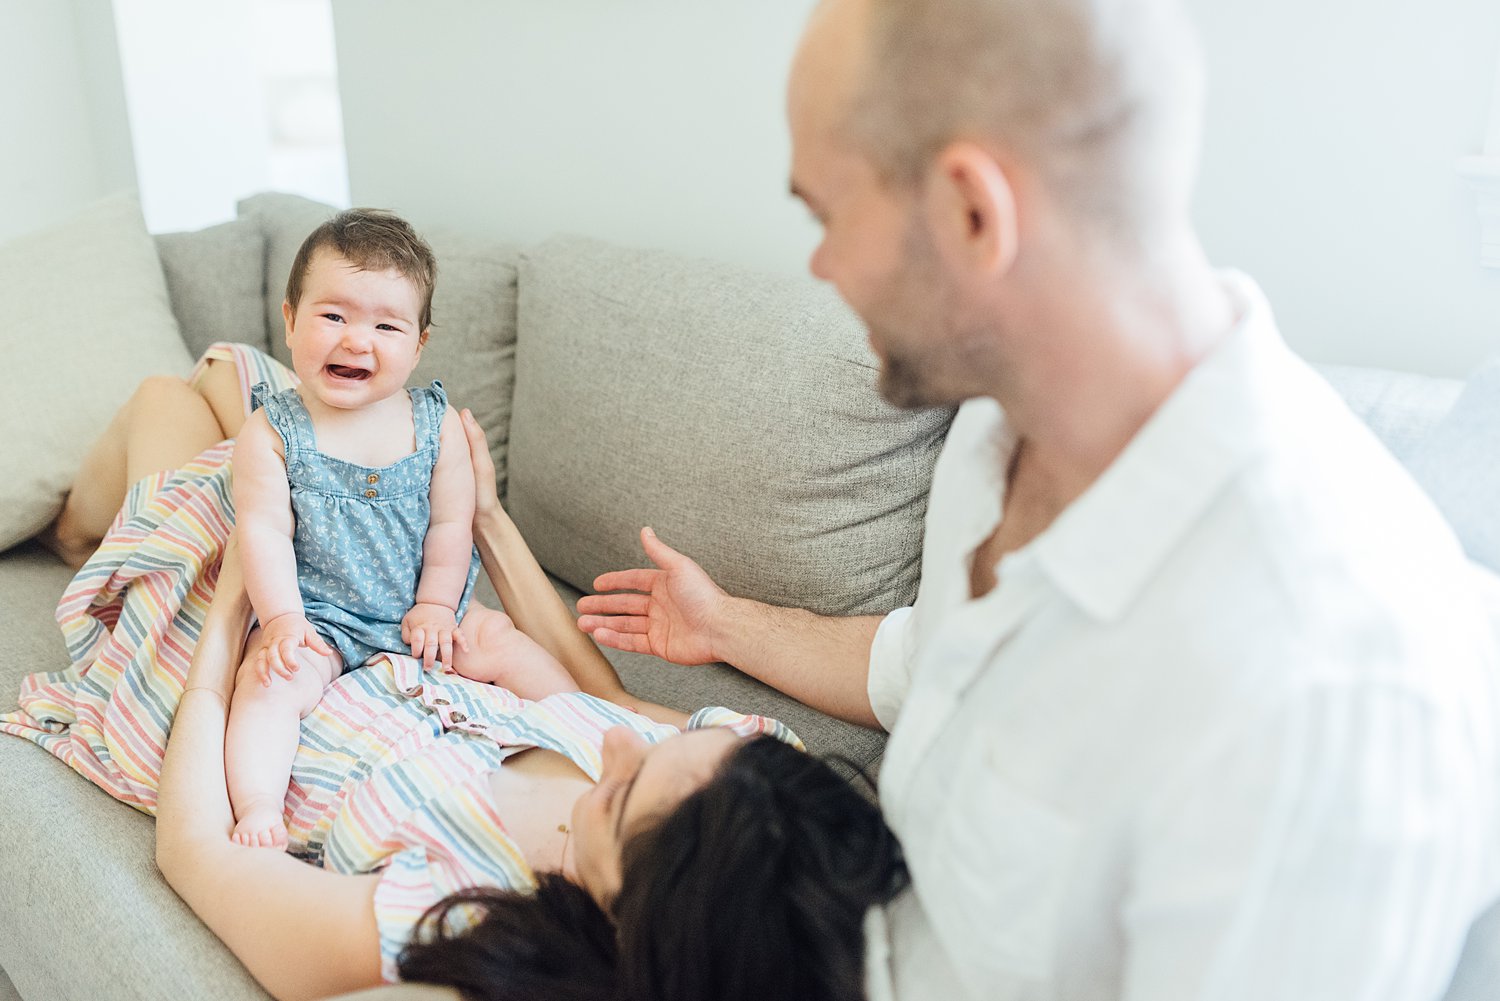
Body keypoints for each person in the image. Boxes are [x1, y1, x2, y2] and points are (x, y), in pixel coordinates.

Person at [578, 0, 1500, 997]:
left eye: (827, 213)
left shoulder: (1314, 688)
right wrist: (726, 623)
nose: (821, 264)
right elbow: (936, 663)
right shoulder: (998, 427)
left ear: (974, 214)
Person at [36, 346, 907, 1001]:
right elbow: (601, 698)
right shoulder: (745, 780)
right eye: (658, 748)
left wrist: (232, 611)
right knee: (236, 373)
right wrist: (486, 513)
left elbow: (196, 851)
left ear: (625, 910)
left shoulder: (448, 917)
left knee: (172, 400)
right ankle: (89, 522)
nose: (616, 744)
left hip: (243, 674)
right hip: (360, 609)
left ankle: (70, 534)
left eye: (621, 789)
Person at [226, 208, 487, 847]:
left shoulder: (437, 425)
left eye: (386, 325)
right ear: (289, 320)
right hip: (319, 614)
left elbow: (452, 526)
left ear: (419, 343)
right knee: (266, 683)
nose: (356, 340)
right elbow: (261, 532)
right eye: (334, 316)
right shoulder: (272, 432)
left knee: (503, 642)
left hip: (418, 606)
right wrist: (285, 621)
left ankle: (592, 720)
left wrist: (434, 605)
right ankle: (259, 804)